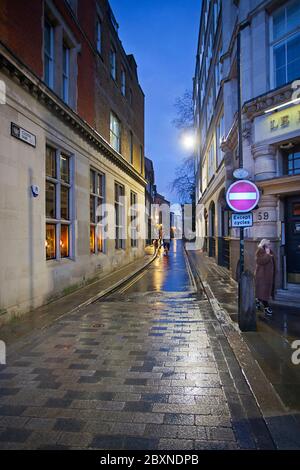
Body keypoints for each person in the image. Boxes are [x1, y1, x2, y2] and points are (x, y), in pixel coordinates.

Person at [255, 239, 276, 316]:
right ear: (264, 245)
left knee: (263, 292)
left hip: (268, 276)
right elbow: (260, 261)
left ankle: (257, 300)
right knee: (263, 292)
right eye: (268, 244)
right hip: (262, 276)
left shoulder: (269, 251)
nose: (269, 246)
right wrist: (267, 255)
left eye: (269, 244)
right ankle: (266, 307)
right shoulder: (260, 251)